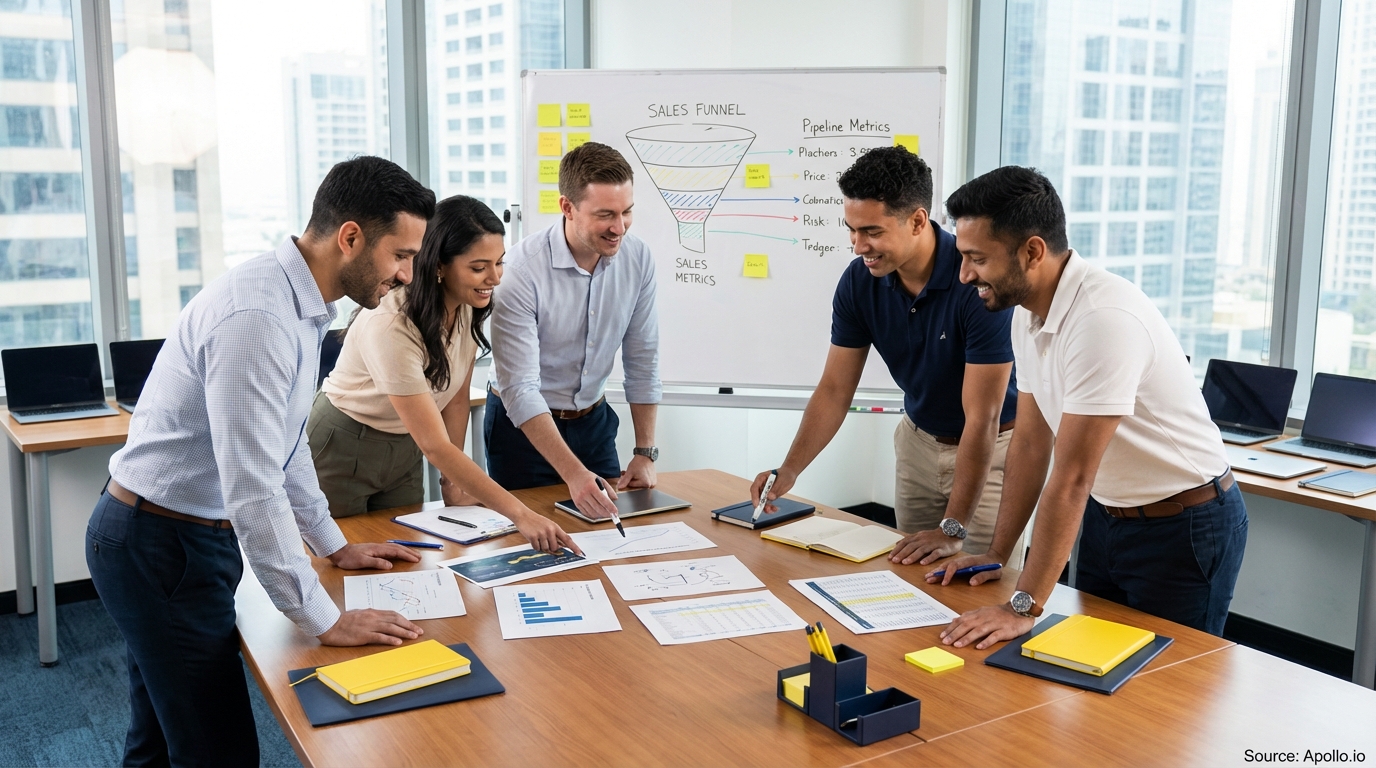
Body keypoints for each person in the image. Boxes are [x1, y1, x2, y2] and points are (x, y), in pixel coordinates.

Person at [87, 157, 437, 767]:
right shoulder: (260, 315)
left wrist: (331, 545)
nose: (408, 275)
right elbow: (254, 488)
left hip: (182, 536)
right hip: (160, 544)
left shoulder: (300, 306)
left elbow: (286, 443)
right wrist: (323, 619)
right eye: (400, 255)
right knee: (215, 751)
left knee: (162, 739)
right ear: (350, 237)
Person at [933, 166, 1248, 648]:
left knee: (1168, 693)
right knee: (1092, 669)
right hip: (1108, 515)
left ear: (1032, 251)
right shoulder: (1027, 313)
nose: (964, 274)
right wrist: (999, 552)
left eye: (977, 258)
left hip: (1184, 525)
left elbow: (1072, 475)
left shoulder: (1103, 319)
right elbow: (1033, 443)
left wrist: (1024, 606)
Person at [750, 147, 1023, 569]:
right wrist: (789, 470)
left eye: (871, 231)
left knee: (978, 585)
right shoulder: (860, 282)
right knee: (910, 579)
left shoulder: (975, 279)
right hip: (917, 442)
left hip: (992, 451)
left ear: (917, 220)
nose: (859, 246)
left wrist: (953, 527)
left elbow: (981, 419)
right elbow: (835, 388)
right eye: (852, 230)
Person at [308, 195, 579, 554]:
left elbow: (455, 397)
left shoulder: (466, 304)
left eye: (499, 263)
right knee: (342, 561)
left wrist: (453, 480)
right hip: (342, 443)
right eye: (479, 267)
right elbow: (434, 444)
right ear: (439, 265)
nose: (495, 278)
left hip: (405, 447)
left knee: (407, 555)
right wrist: (520, 514)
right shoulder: (391, 325)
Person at [487, 141, 661, 520]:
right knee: (531, 540)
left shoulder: (638, 258)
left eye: (627, 212)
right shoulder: (519, 271)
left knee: (609, 537)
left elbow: (642, 357)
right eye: (605, 215)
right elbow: (520, 389)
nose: (619, 228)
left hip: (594, 423)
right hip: (521, 429)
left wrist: (644, 451)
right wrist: (572, 473)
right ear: (567, 207)